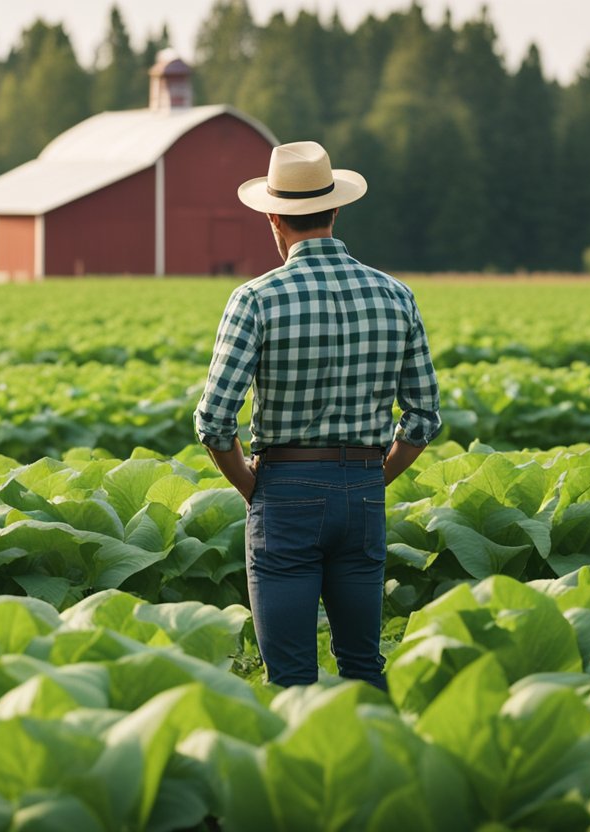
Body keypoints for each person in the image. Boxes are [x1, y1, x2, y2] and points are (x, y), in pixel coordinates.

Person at [194, 140, 441, 689]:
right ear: (335, 210)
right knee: (362, 666)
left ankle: (300, 770)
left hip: (283, 491)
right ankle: (386, 768)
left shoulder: (255, 299)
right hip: (363, 490)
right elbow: (423, 417)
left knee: (291, 676)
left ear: (274, 220)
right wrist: (376, 478)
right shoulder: (395, 295)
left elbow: (214, 422)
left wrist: (251, 488)